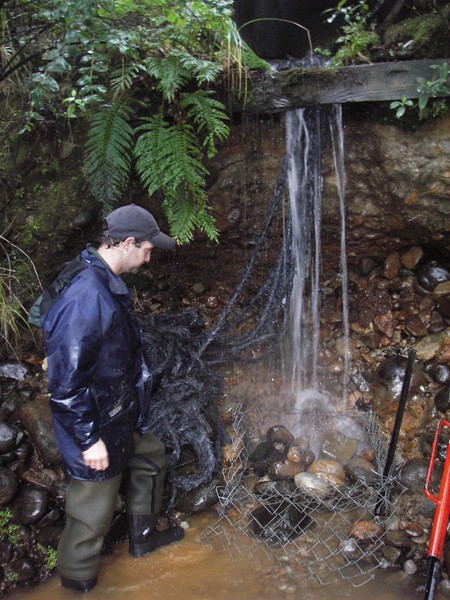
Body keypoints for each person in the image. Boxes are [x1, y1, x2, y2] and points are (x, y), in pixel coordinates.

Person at [41, 204, 184, 593]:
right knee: (92, 512)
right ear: (127, 242)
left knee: (150, 456)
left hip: (119, 410)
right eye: (148, 248)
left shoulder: (103, 278)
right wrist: (88, 440)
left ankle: (144, 539)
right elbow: (65, 382)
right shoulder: (86, 297)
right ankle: (77, 583)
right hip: (94, 420)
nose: (150, 256)